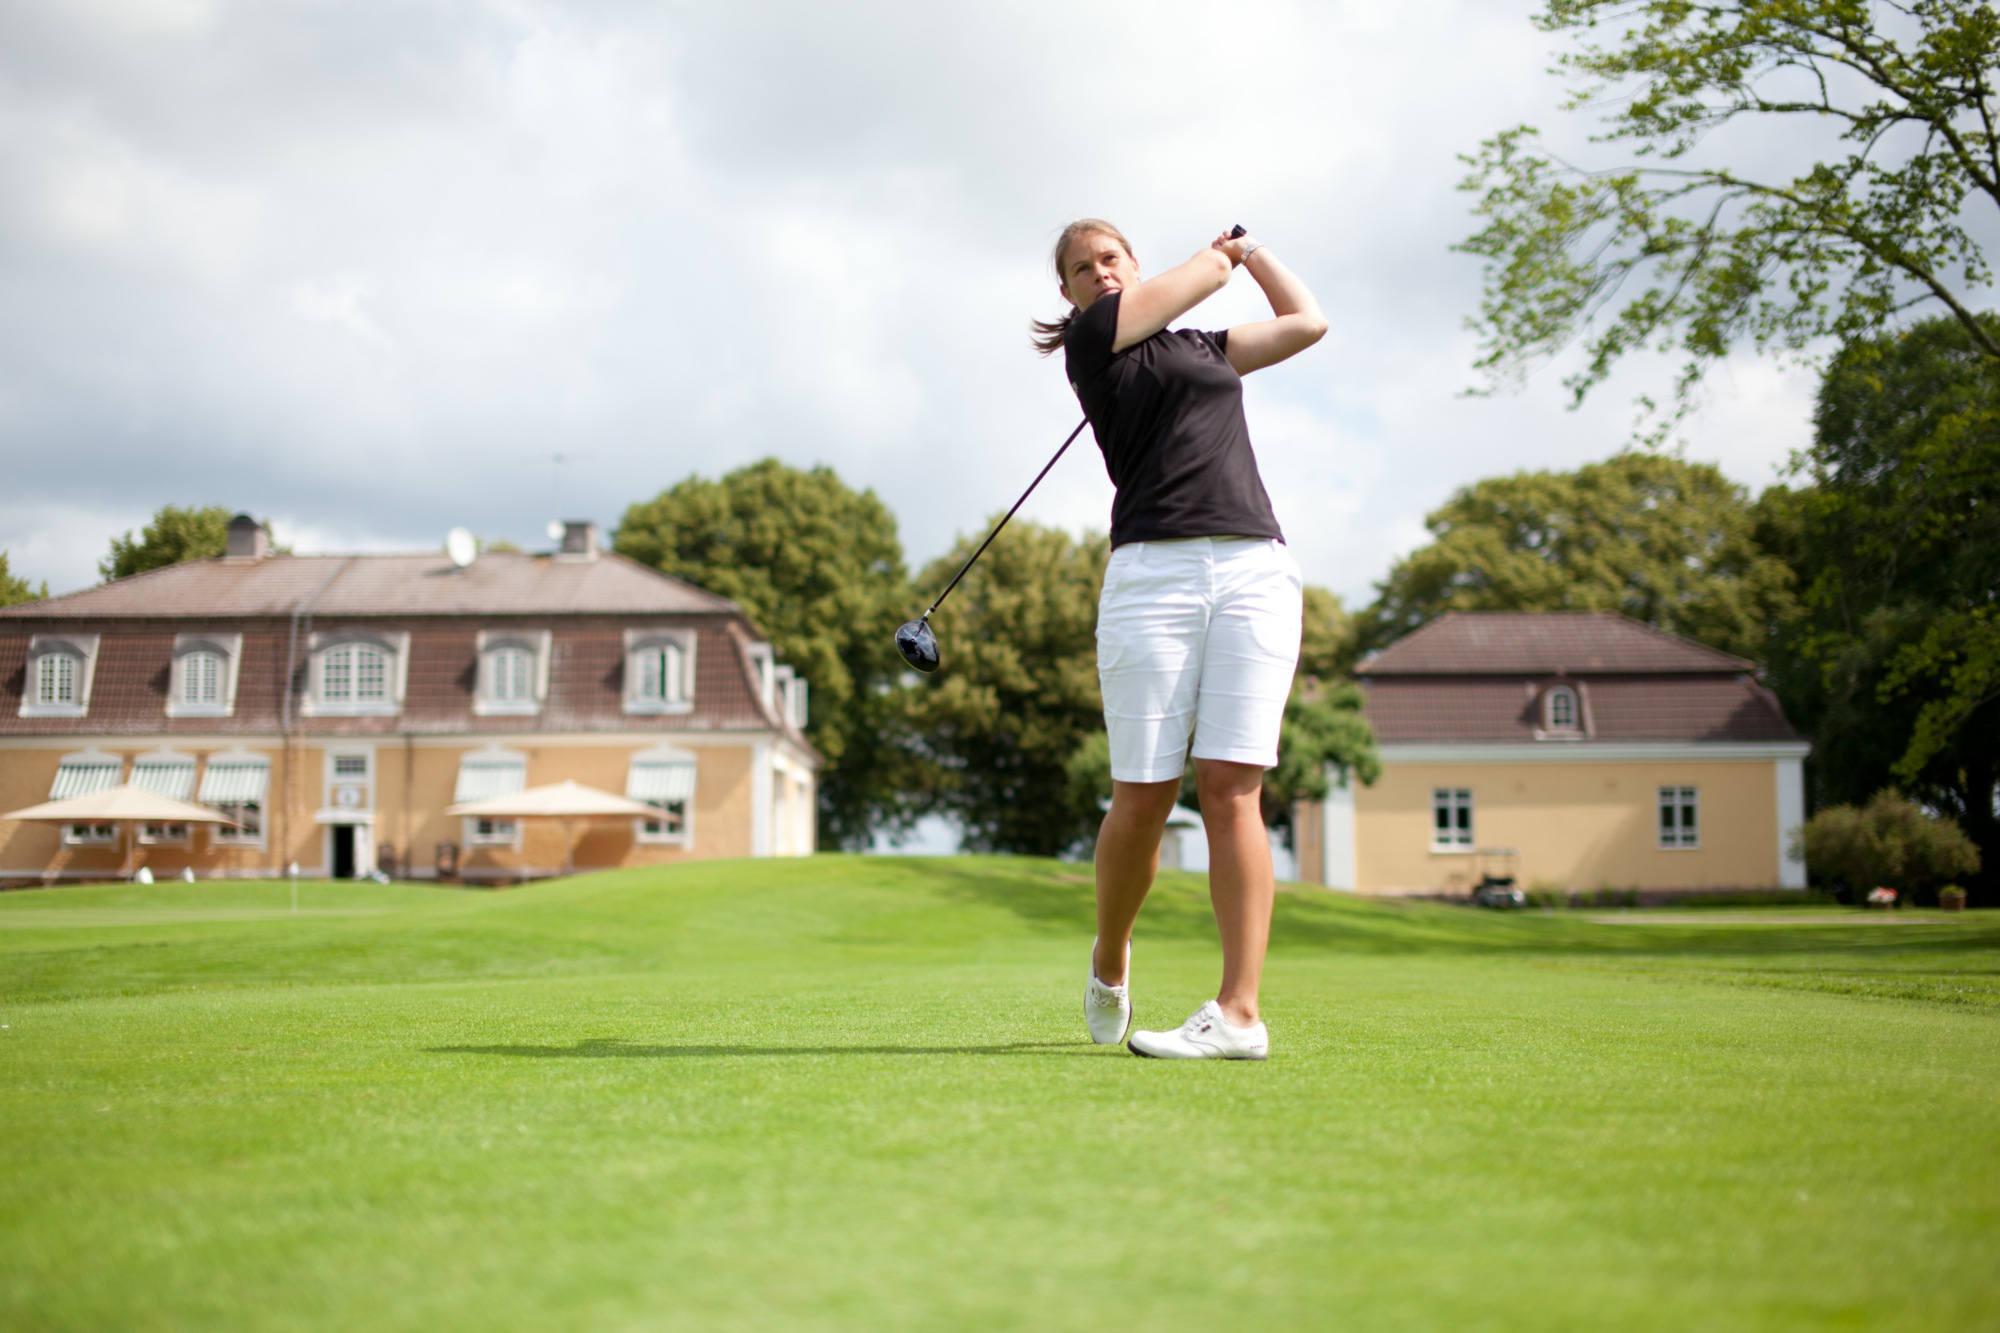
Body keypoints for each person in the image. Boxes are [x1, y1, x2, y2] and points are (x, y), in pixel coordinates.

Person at [1033, 219, 1326, 1059]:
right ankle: (1112, 951)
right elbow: (1195, 279)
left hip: (1253, 568)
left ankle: (1239, 1014)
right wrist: (1221, 255)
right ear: (1071, 293)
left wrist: (1259, 247)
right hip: (1151, 580)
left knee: (1234, 785)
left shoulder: (1204, 347)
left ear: (1132, 259)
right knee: (1145, 792)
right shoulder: (1093, 342)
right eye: (1083, 268)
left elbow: (1307, 323)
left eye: (1111, 257)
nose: (1100, 272)